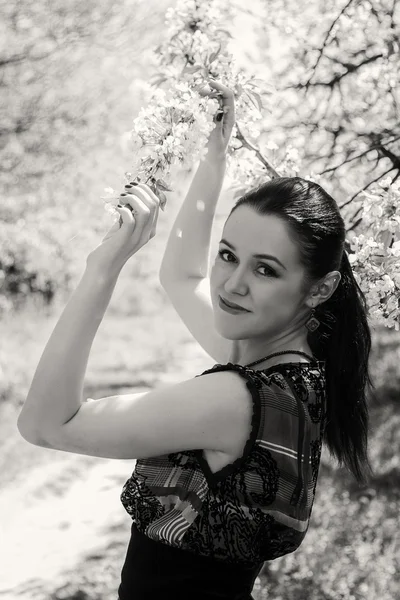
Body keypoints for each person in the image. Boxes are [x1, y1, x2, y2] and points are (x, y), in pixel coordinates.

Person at [117, 80, 375, 598]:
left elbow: (49, 423)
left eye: (266, 269)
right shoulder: (286, 377)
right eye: (229, 255)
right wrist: (214, 158)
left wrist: (102, 269)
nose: (233, 285)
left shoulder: (247, 393)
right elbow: (182, 277)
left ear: (320, 288)